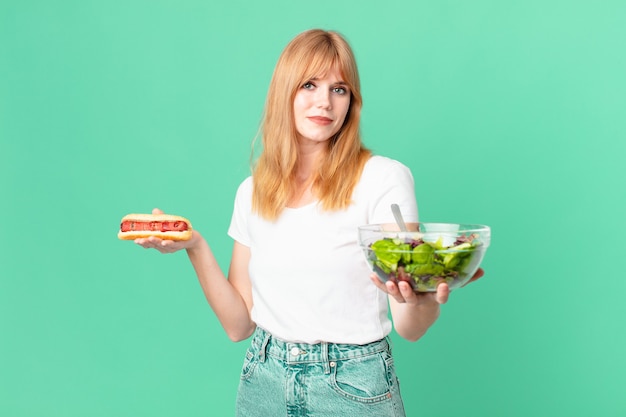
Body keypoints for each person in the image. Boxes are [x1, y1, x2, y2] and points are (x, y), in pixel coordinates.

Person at [135, 28, 483, 416]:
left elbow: (410, 326)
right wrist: (195, 247)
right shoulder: (252, 192)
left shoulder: (382, 179)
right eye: (310, 84)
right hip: (262, 380)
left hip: (353, 385)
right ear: (285, 91)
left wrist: (421, 299)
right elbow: (238, 326)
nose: (325, 102)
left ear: (352, 101)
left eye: (339, 89)